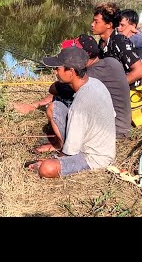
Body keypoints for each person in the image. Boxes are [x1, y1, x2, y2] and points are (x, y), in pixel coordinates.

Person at [14, 34, 131, 145]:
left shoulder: (87, 78)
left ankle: (63, 145)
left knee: (54, 108)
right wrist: (36, 104)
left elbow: (54, 89)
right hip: (123, 124)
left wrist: (63, 76)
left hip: (111, 131)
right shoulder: (112, 62)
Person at [27, 47, 116, 178]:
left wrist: (53, 160)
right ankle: (60, 147)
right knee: (54, 107)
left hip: (95, 157)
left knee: (47, 169)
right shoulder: (95, 83)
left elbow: (71, 152)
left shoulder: (80, 103)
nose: (55, 71)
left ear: (71, 72)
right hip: (94, 142)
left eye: (58, 68)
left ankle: (55, 157)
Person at [91, 2, 142, 88]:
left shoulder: (120, 41)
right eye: (93, 21)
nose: (92, 24)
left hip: (127, 92)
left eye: (96, 22)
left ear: (109, 25)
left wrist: (114, 86)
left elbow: (139, 71)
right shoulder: (103, 42)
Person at [117, 9, 142, 81]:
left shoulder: (139, 38)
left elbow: (119, 43)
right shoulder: (124, 34)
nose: (118, 28)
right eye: (118, 24)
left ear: (133, 26)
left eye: (122, 25)